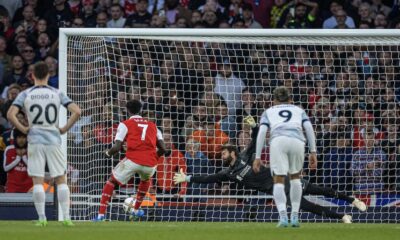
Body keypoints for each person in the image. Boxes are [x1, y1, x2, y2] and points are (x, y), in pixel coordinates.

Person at [173, 116, 366, 224]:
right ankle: (342, 217)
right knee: (309, 208)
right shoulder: (228, 173)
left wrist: (255, 126)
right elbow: (208, 178)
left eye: (223, 153)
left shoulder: (244, 157)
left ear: (231, 152)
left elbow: (254, 140)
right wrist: (188, 178)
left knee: (321, 190)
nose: (221, 157)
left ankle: (352, 200)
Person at [7, 61, 81, 227]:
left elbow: (11, 114)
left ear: (32, 75)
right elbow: (77, 111)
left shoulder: (26, 94)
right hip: (54, 139)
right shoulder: (57, 93)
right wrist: (64, 128)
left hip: (35, 140)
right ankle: (67, 218)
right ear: (48, 75)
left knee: (38, 180)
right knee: (61, 178)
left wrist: (24, 129)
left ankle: (42, 219)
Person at [93, 99, 169, 221]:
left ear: (127, 111)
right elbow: (164, 149)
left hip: (133, 159)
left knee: (111, 182)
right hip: (150, 163)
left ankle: (101, 216)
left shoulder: (125, 124)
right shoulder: (153, 126)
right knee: (145, 180)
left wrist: (107, 153)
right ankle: (135, 210)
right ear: (141, 110)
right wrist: (155, 157)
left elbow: (117, 146)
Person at [253, 86, 317, 227]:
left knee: (278, 180)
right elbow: (309, 129)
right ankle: (294, 216)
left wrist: (257, 156)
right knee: (295, 178)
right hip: (297, 141)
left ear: (274, 100)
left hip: (278, 141)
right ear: (290, 100)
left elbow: (262, 132)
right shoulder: (299, 110)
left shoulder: (268, 111)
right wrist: (313, 151)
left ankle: (283, 217)